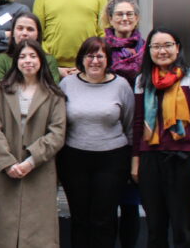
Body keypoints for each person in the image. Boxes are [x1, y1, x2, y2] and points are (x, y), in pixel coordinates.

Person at [0, 39, 67, 248]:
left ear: (41, 60)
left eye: (32, 56)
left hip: (38, 170)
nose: (27, 61)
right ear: (15, 61)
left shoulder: (54, 94)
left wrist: (31, 160)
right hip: (4, 171)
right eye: (22, 56)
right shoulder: (0, 90)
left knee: (37, 237)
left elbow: (57, 133)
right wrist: (8, 162)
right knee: (1, 235)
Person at [132, 28, 190, 248]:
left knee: (182, 227)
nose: (162, 51)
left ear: (177, 47)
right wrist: (135, 160)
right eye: (156, 46)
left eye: (167, 45)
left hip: (183, 159)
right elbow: (138, 123)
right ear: (149, 51)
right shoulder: (142, 80)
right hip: (150, 159)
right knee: (155, 227)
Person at [58, 37, 134, 248]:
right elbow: (58, 122)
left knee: (104, 218)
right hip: (74, 159)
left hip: (112, 159)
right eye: (90, 56)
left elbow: (129, 125)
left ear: (108, 59)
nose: (95, 61)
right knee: (80, 217)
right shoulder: (67, 84)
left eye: (100, 56)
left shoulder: (121, 85)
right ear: (81, 59)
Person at [102, 0, 145, 248]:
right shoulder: (101, 49)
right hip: (108, 131)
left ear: (137, 18)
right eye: (119, 14)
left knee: (130, 204)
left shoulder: (148, 48)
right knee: (107, 202)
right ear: (110, 19)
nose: (124, 18)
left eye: (129, 14)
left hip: (139, 131)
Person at [0, 12, 62, 84]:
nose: (24, 33)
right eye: (20, 28)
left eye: (30, 29)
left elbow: (53, 90)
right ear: (13, 33)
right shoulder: (2, 60)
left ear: (38, 34)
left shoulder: (49, 60)